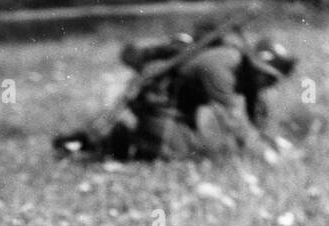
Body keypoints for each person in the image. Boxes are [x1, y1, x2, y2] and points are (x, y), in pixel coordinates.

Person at [53, 28, 296, 162]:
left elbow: (256, 115)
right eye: (267, 76)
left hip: (179, 109)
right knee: (172, 155)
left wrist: (273, 141)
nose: (269, 84)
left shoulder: (248, 75)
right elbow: (233, 119)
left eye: (273, 79)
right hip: (157, 103)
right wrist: (265, 155)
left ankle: (113, 141)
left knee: (192, 150)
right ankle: (106, 141)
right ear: (255, 65)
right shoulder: (220, 66)